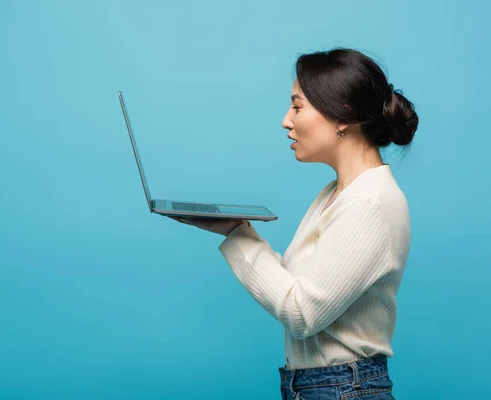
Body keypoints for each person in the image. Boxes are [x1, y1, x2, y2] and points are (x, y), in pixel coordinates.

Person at [169, 47, 418, 400]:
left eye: (298, 106)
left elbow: (302, 313)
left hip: (345, 389)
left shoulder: (370, 203)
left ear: (343, 114)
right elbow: (300, 287)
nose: (287, 120)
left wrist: (238, 234)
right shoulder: (338, 193)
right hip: (324, 387)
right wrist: (232, 228)